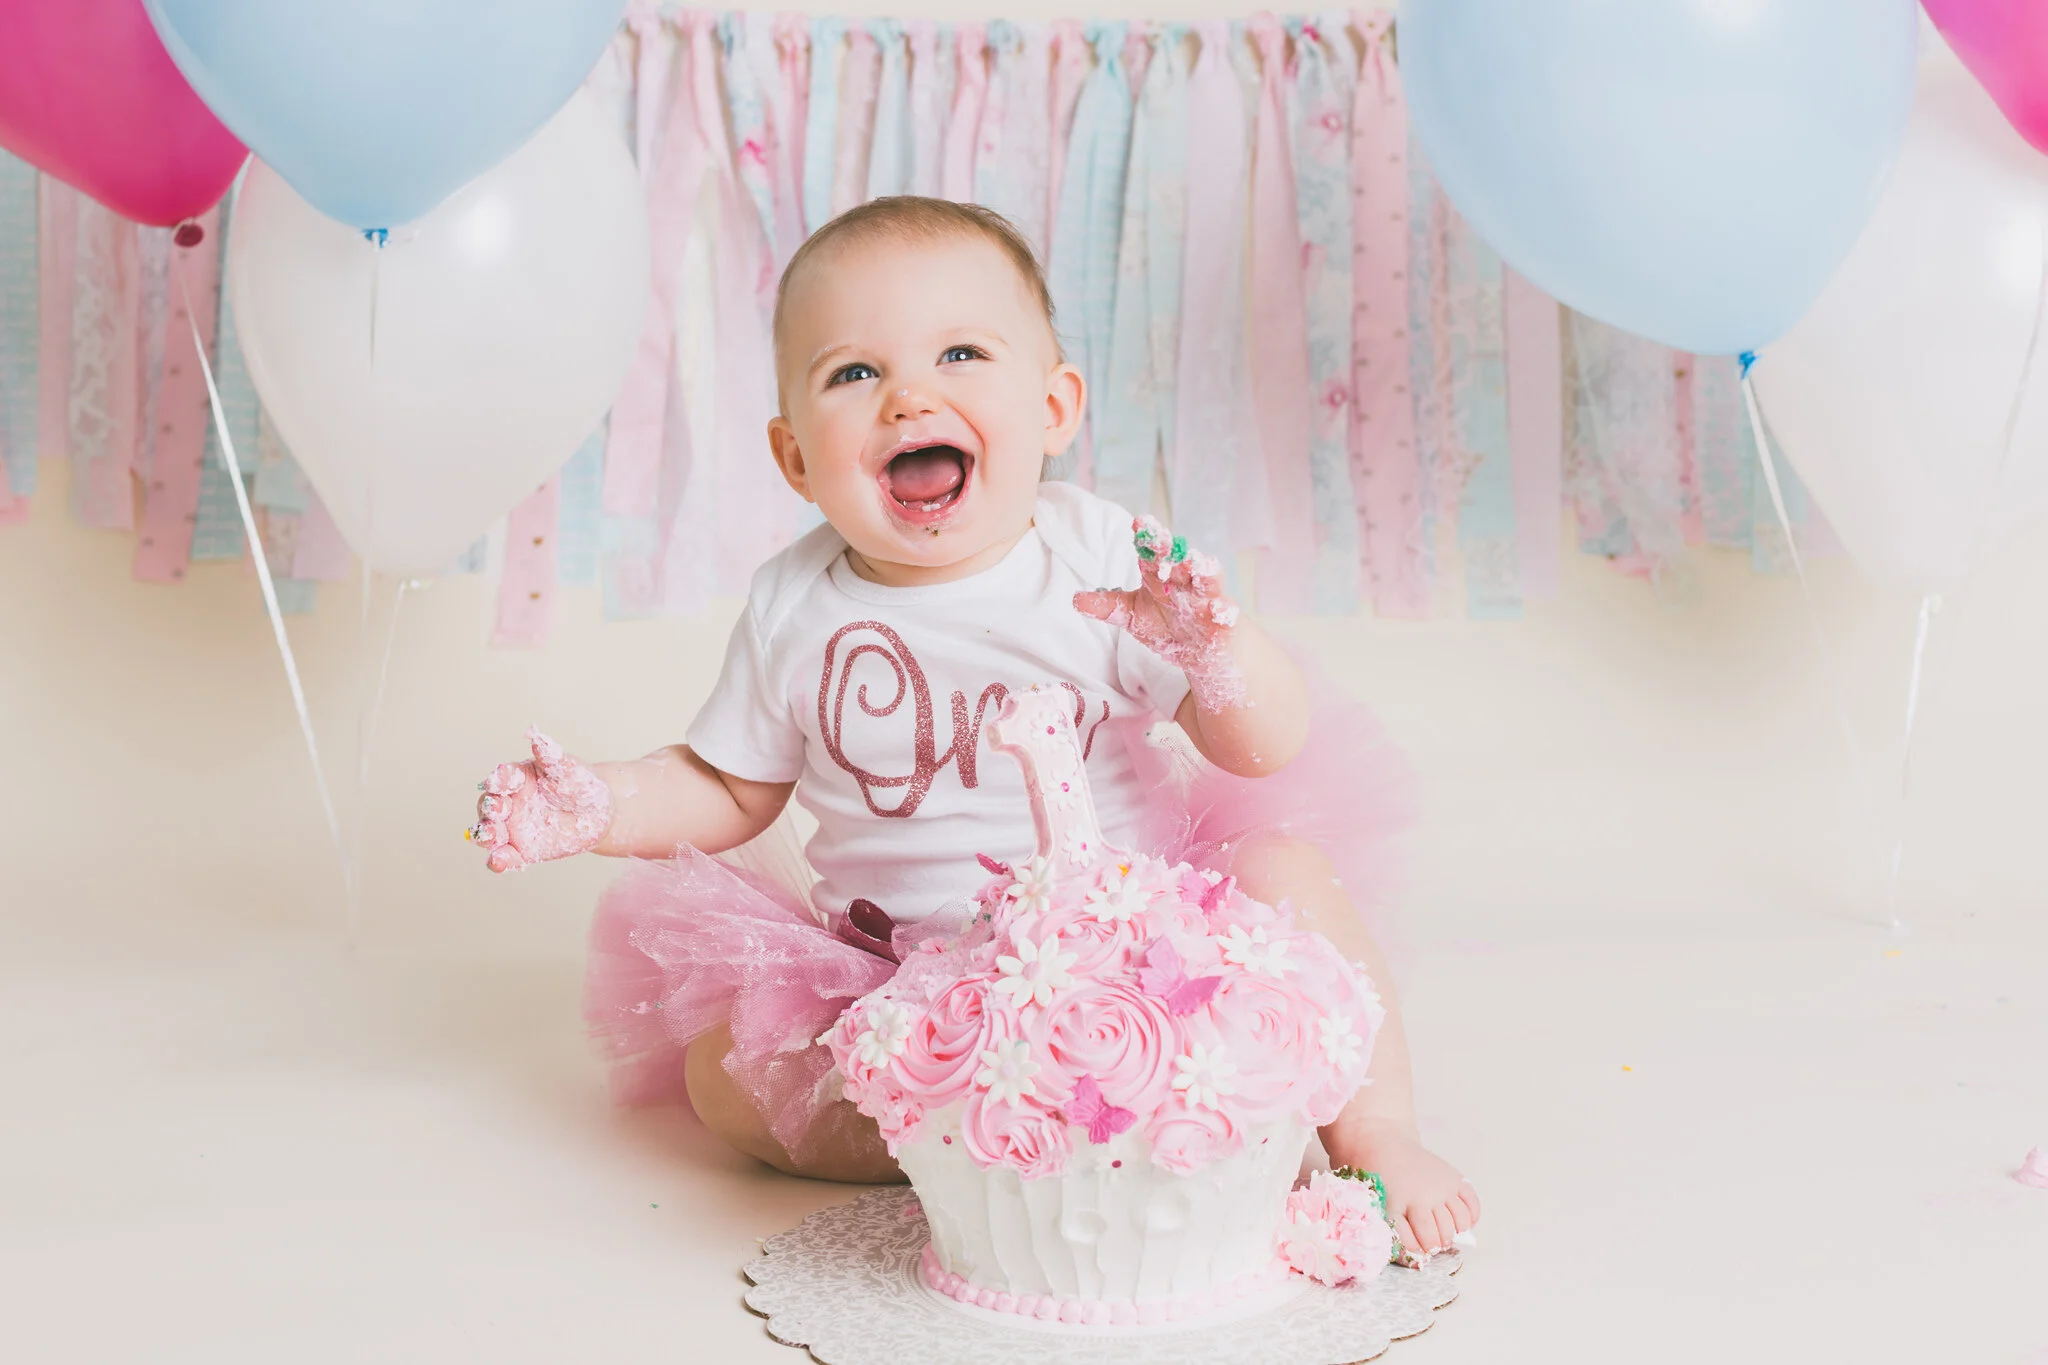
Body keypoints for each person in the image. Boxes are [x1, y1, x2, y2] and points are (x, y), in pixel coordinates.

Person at [469, 197, 1479, 1256]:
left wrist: (1211, 654)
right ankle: (980, 1133)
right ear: (795, 457)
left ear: (1053, 408)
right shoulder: (793, 605)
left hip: (1137, 957)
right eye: (853, 372)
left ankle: (1374, 1132)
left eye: (960, 354)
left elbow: (1260, 748)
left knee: (1284, 870)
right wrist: (598, 805)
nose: (909, 395)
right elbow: (727, 788)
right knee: (725, 1077)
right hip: (907, 988)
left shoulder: (1094, 560)